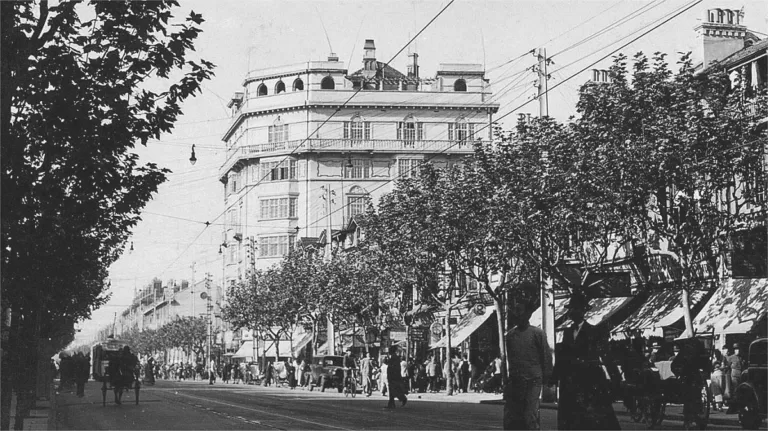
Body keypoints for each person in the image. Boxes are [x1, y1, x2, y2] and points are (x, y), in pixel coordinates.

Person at [550, 291, 620, 430]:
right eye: (571, 308)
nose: (571, 311)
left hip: (590, 381)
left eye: (575, 308)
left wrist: (615, 377)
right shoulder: (567, 333)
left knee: (594, 419)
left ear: (582, 311)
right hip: (570, 382)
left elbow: (605, 354)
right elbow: (563, 357)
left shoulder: (594, 332)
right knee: (572, 420)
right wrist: (553, 377)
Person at [503, 293, 553, 430]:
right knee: (512, 415)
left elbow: (546, 356)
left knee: (530, 414)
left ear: (527, 314)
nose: (518, 315)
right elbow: (508, 360)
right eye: (516, 312)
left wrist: (548, 376)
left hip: (533, 380)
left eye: (520, 312)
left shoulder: (537, 333)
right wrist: (506, 381)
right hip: (516, 380)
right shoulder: (510, 336)